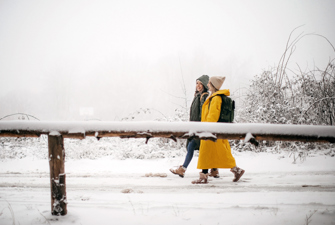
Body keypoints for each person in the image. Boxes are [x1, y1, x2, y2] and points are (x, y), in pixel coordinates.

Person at [192, 76, 245, 184]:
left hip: (210, 130)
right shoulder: (213, 97)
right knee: (210, 154)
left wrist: (207, 128)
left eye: (209, 83)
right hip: (209, 130)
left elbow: (213, 116)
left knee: (220, 154)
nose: (207, 85)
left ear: (213, 85)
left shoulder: (216, 98)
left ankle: (236, 170)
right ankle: (205, 176)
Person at [170, 75, 219, 178]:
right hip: (196, 127)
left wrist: (200, 127)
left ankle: (183, 169)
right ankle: (214, 169)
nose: (198, 86)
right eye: (197, 83)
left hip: (199, 128)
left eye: (200, 84)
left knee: (193, 146)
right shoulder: (198, 96)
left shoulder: (204, 96)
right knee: (201, 149)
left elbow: (203, 113)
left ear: (205, 85)